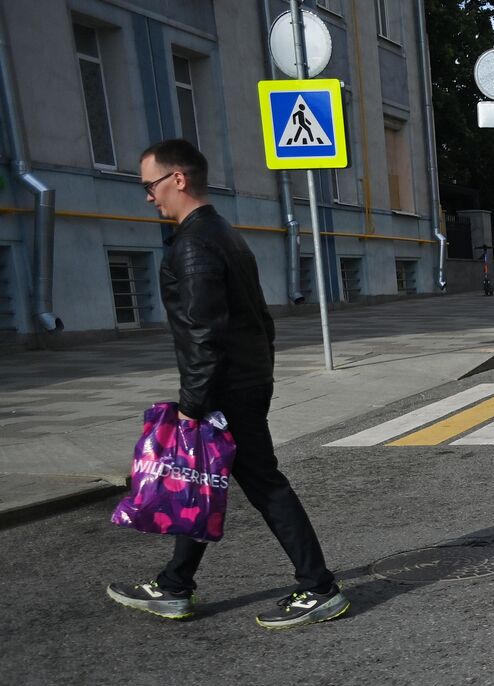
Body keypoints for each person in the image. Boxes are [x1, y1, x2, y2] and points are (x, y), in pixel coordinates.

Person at [108, 139, 347, 629]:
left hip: (224, 388)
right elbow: (257, 318)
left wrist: (193, 405)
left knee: (262, 484)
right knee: (201, 481)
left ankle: (319, 587)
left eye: (150, 185)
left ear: (178, 179)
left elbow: (204, 332)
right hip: (242, 380)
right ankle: (175, 585)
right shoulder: (221, 232)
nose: (148, 197)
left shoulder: (194, 243)